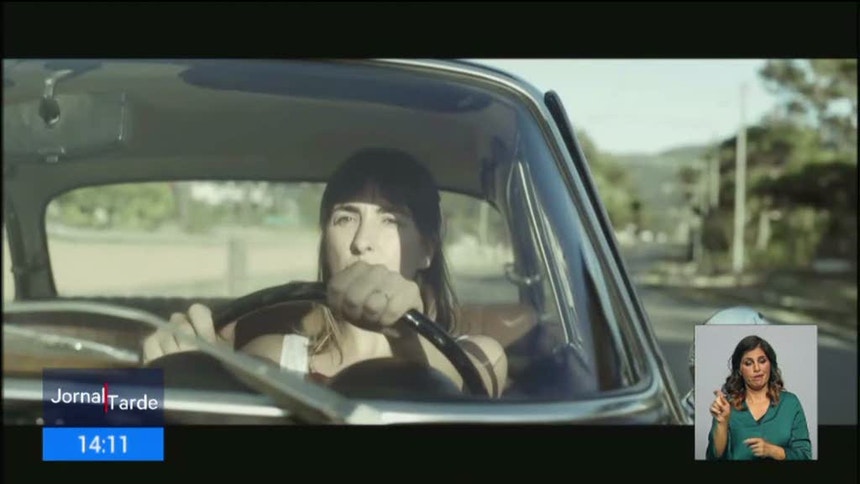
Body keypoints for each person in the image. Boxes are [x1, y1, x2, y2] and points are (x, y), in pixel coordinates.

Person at [142, 147, 508, 398]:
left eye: (392, 220)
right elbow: (115, 447)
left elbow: (463, 387)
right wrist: (165, 385)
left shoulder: (479, 356)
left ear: (427, 250)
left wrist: (406, 334)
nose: (362, 242)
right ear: (325, 240)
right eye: (345, 218)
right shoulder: (276, 357)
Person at [706, 335, 812, 460]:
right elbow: (713, 457)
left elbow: (805, 455)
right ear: (739, 370)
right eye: (748, 363)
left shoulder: (790, 403)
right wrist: (722, 423)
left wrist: (772, 451)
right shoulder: (726, 407)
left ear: (770, 364)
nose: (757, 368)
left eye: (762, 361)